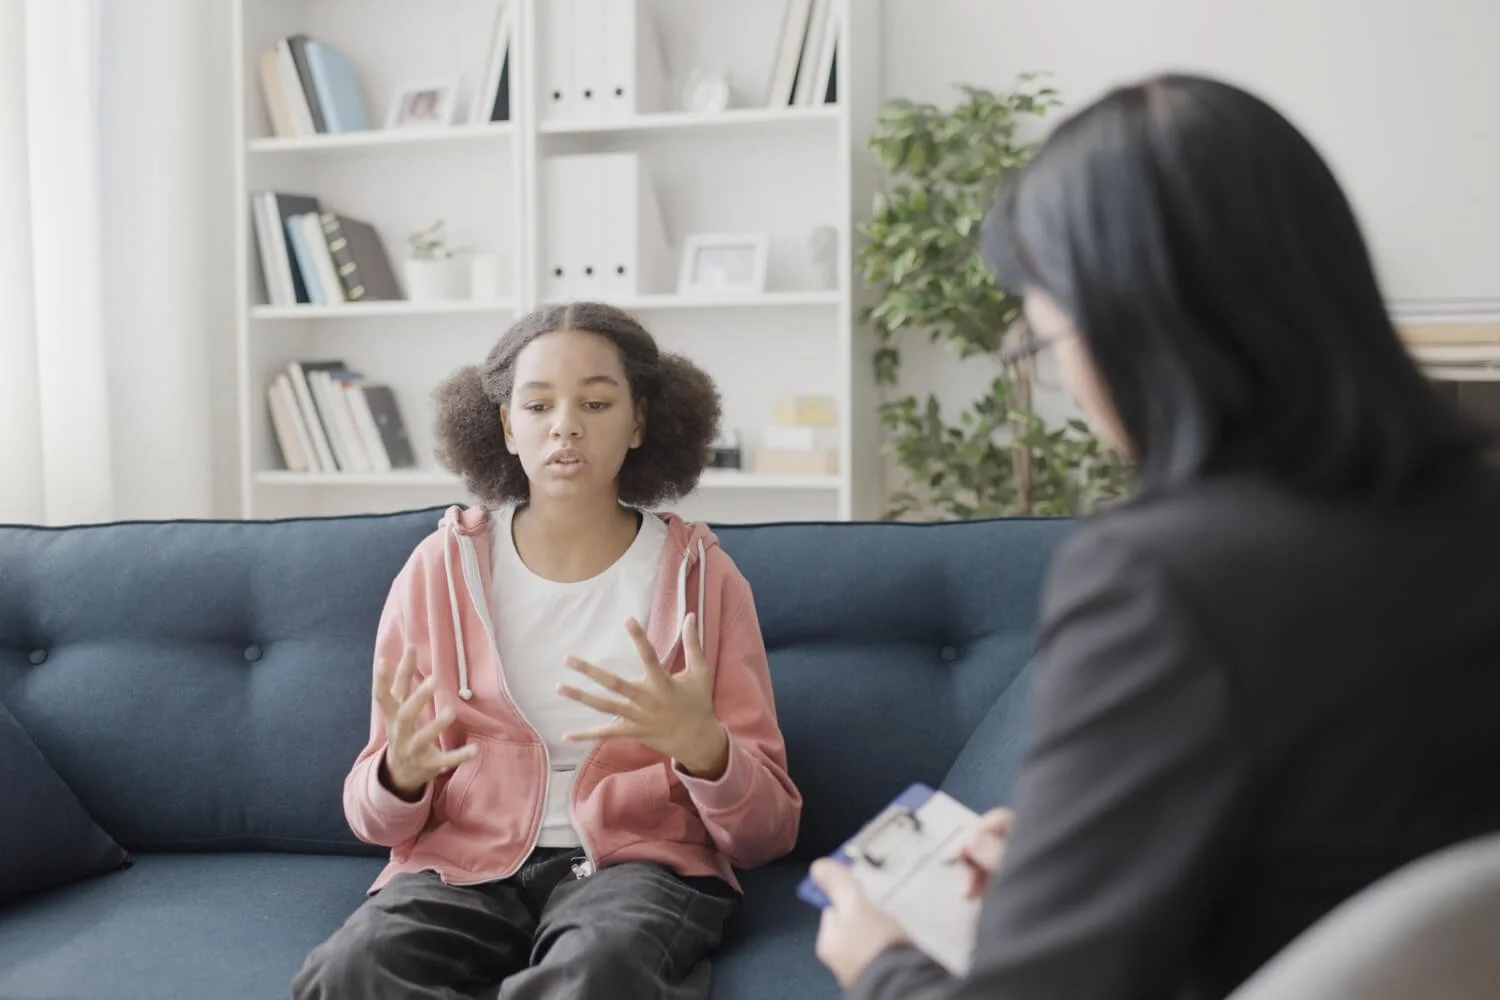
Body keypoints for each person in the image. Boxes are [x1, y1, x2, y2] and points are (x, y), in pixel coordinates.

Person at [811, 72, 1500, 1000]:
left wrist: (881, 962)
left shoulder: (1165, 581)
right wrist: (1090, 856)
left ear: (1125, 326)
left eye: (1047, 345)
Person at [295, 302, 802, 999]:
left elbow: (768, 832)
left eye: (596, 401)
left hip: (640, 869)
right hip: (464, 868)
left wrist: (705, 750)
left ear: (641, 422)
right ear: (505, 425)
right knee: (350, 972)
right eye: (537, 405)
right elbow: (371, 817)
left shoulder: (702, 576)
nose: (565, 425)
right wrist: (400, 775)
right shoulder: (439, 569)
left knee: (599, 974)